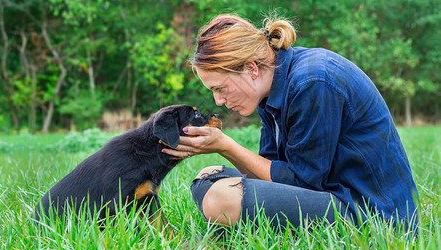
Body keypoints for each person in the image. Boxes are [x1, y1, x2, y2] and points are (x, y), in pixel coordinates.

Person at [161, 13, 419, 231]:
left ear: (251, 68)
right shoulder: (270, 88)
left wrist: (226, 145)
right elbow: (271, 171)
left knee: (220, 198)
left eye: (220, 88)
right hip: (330, 195)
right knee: (208, 177)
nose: (218, 101)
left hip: (373, 215)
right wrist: (221, 149)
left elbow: (303, 183)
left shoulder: (313, 83)